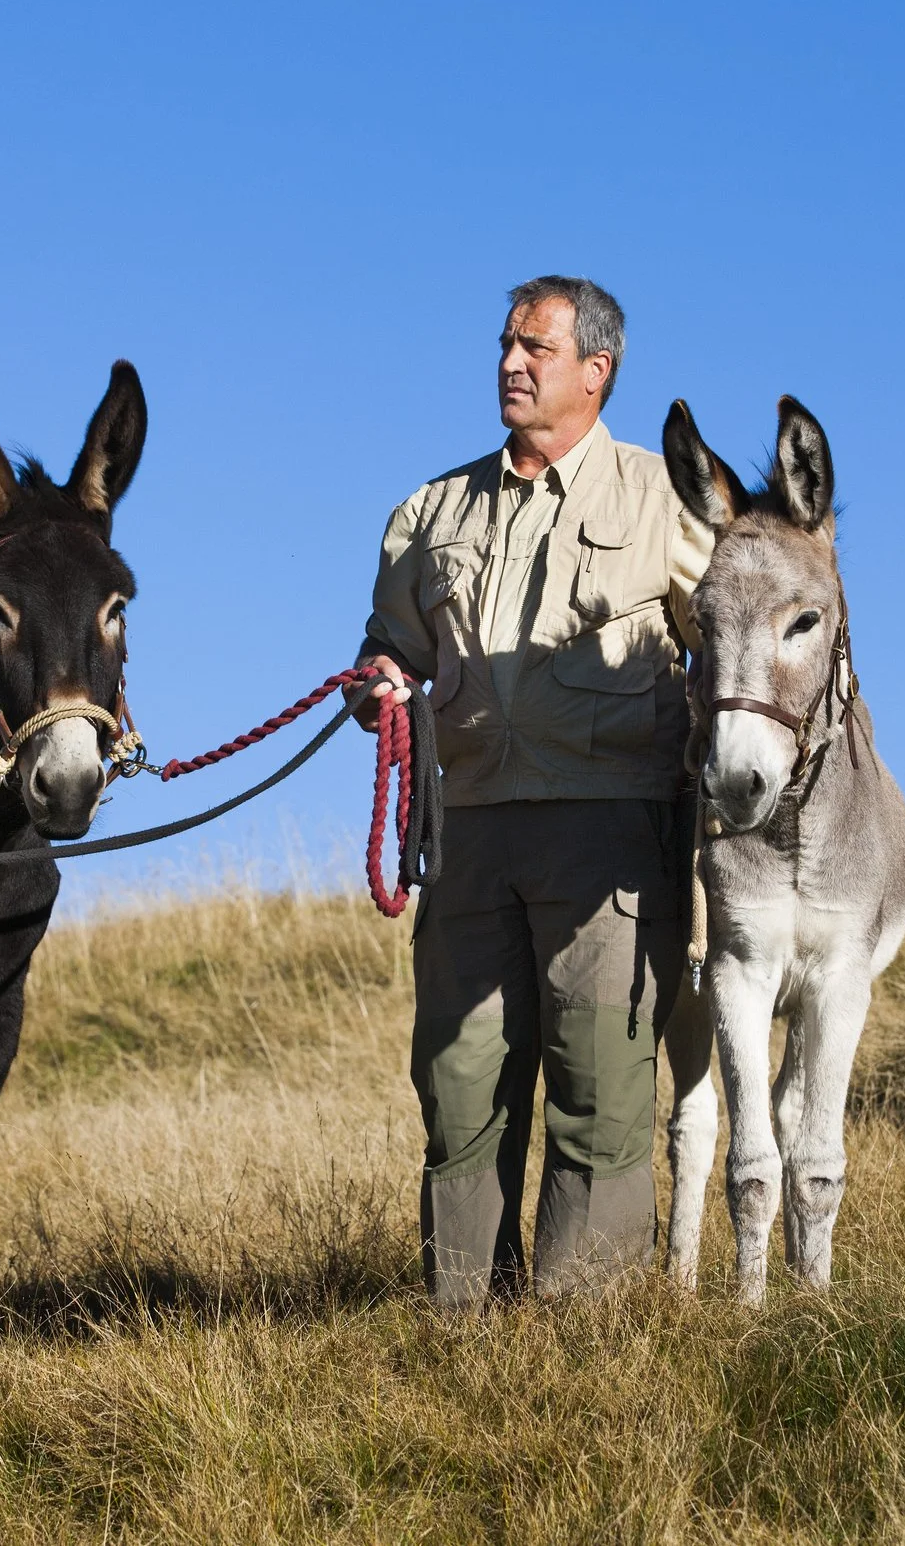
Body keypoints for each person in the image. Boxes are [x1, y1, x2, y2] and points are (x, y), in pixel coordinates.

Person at [357, 275, 711, 1305]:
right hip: (464, 832)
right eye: (506, 344)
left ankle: (580, 1346)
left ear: (596, 371)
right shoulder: (429, 511)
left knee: (598, 1088)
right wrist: (380, 682)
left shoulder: (662, 500)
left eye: (536, 349)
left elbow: (726, 643)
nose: (511, 363)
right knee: (460, 1088)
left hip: (609, 832)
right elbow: (391, 645)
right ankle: (461, 1323)